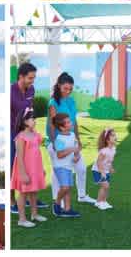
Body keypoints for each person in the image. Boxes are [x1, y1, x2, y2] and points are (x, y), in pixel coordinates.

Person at [47, 73, 93, 205]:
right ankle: (58, 200)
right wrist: (55, 144)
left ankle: (82, 196)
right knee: (58, 171)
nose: (68, 91)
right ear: (59, 86)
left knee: (81, 168)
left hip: (71, 139)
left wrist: (78, 139)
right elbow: (51, 125)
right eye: (65, 88)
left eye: (70, 89)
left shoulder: (71, 101)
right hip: (58, 141)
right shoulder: (53, 103)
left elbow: (74, 121)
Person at [10, 62, 46, 213]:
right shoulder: (11, 91)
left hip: (26, 130)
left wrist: (31, 128)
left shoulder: (31, 89)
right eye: (30, 78)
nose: (32, 81)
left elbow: (29, 110)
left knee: (30, 162)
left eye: (34, 78)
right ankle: (12, 200)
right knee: (13, 164)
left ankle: (31, 197)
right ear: (21, 76)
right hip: (13, 131)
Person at [12, 108, 47, 228]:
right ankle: (22, 219)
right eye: (32, 119)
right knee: (23, 193)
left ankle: (34, 214)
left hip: (35, 168)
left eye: (34, 119)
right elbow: (19, 157)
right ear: (25, 121)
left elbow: (38, 154)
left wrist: (41, 169)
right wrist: (22, 174)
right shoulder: (21, 137)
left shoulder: (36, 135)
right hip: (25, 169)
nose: (35, 121)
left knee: (34, 191)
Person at [51, 113, 81, 218]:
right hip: (60, 166)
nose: (71, 123)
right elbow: (59, 155)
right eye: (68, 122)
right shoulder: (59, 139)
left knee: (68, 188)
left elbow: (76, 148)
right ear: (62, 127)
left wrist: (77, 156)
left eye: (70, 121)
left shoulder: (72, 135)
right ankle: (57, 202)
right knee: (65, 187)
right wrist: (71, 150)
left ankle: (67, 209)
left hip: (69, 166)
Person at [93, 128, 118, 210]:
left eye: (115, 135)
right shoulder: (104, 151)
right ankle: (99, 202)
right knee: (105, 186)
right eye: (113, 135)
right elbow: (99, 162)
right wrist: (102, 172)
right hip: (98, 171)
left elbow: (109, 161)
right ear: (107, 140)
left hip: (106, 171)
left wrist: (111, 168)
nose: (115, 137)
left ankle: (103, 201)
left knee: (107, 187)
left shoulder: (113, 149)